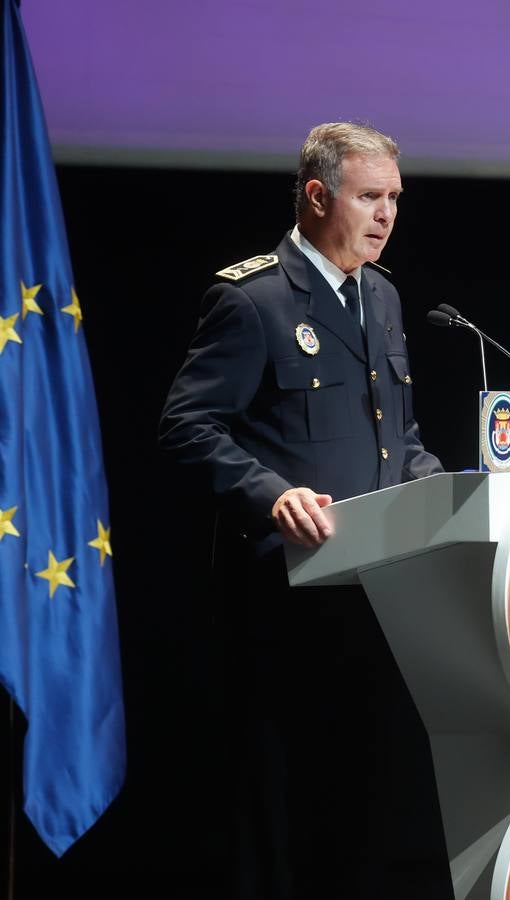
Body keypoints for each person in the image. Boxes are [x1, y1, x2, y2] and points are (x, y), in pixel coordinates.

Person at [159, 122, 449, 898]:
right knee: (283, 810)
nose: (386, 215)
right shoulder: (252, 299)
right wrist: (270, 493)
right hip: (283, 600)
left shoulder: (381, 296)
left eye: (394, 199)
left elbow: (399, 436)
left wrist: (447, 491)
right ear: (318, 196)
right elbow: (185, 426)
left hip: (376, 596)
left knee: (358, 811)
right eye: (369, 197)